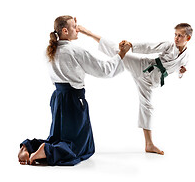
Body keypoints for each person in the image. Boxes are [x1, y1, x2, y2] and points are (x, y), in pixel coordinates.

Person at [18, 16, 131, 166]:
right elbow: (104, 70)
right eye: (74, 26)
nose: (77, 29)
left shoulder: (50, 50)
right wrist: (121, 54)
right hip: (73, 99)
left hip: (57, 98)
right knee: (79, 146)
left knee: (58, 137)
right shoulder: (75, 51)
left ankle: (28, 147)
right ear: (65, 30)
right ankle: (46, 150)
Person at [78, 23, 192, 155]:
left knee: (147, 107)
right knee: (117, 52)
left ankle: (149, 144)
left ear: (187, 38)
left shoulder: (186, 56)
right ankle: (87, 32)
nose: (176, 38)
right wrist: (131, 45)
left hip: (150, 81)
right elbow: (150, 47)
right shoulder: (169, 45)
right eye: (175, 34)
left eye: (180, 36)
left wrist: (182, 72)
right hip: (143, 67)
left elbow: (179, 71)